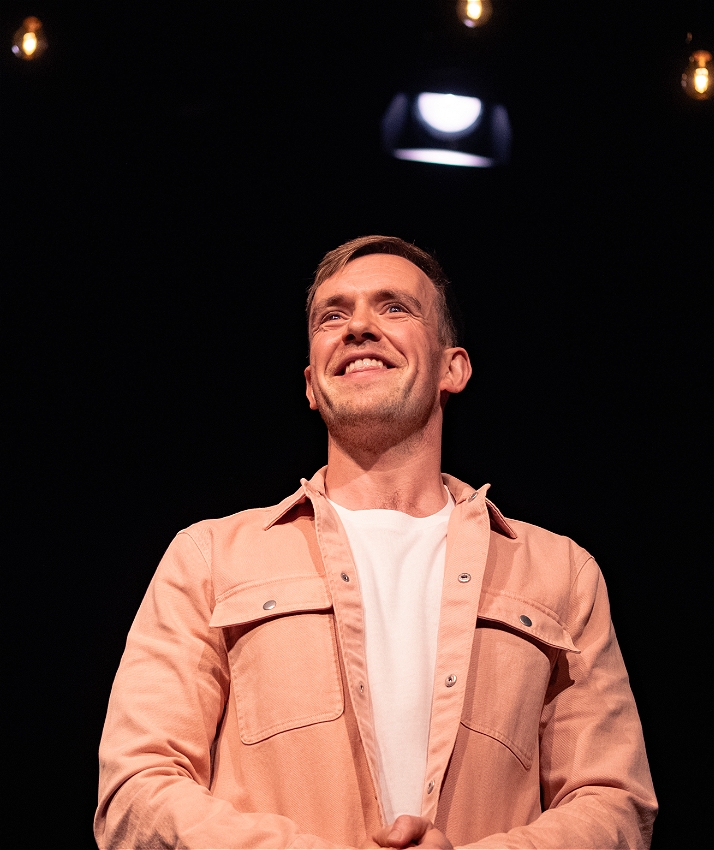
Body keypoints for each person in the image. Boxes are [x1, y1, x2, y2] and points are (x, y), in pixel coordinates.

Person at [95, 235, 657, 849]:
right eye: (333, 315)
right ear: (311, 384)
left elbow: (613, 802)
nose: (358, 327)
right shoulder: (209, 559)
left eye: (394, 308)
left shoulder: (559, 573)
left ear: (453, 368)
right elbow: (137, 787)